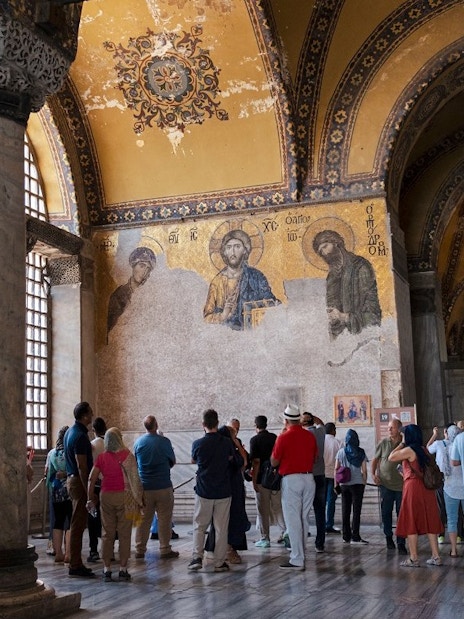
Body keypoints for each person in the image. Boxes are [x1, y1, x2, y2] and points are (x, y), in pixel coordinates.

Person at [88, 427, 143, 582]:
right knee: (124, 534)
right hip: (123, 496)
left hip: (106, 496)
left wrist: (89, 497)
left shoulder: (102, 457)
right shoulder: (128, 456)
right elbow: (136, 480)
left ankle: (106, 569)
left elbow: (91, 479)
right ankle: (123, 569)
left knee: (107, 532)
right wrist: (140, 498)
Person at [270, 403, 317, 571]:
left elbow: (274, 461)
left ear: (286, 421)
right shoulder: (310, 436)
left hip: (291, 479)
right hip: (309, 478)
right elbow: (315, 457)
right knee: (304, 518)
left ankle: (297, 558)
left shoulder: (283, 437)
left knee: (293, 520)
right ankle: (301, 554)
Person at [388, 424, 443, 567]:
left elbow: (391, 457)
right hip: (426, 488)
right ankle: (436, 556)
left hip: (413, 488)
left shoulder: (409, 450)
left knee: (411, 519)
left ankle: (413, 558)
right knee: (430, 520)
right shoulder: (424, 450)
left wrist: (401, 443)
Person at [188, 409, 235, 572]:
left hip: (204, 490)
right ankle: (219, 562)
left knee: (200, 526)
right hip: (223, 490)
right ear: (217, 423)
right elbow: (230, 458)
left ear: (203, 424)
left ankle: (196, 558)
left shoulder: (198, 444)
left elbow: (193, 459)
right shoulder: (226, 443)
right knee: (221, 528)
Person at [203, 229, 279, 330]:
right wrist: (223, 316)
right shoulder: (217, 283)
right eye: (229, 247)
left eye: (237, 246)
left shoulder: (256, 277)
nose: (233, 252)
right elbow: (207, 318)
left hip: (253, 335)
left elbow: (272, 304)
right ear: (224, 252)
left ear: (245, 250)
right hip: (226, 336)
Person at [312, 229, 381, 339]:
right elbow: (332, 310)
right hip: (342, 340)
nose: (324, 253)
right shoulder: (332, 277)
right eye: (321, 252)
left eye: (325, 246)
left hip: (364, 337)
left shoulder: (360, 267)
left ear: (336, 242)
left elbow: (373, 315)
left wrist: (345, 317)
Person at [134, 415, 178, 560]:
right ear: (156, 425)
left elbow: (135, 463)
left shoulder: (138, 442)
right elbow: (172, 461)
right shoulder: (164, 441)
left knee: (143, 520)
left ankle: (140, 549)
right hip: (163, 485)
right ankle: (165, 549)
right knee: (164, 519)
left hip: (145, 487)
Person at [206, 425, 250, 564]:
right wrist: (240, 447)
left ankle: (220, 549)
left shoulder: (220, 449)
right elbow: (244, 463)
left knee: (222, 519)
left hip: (226, 488)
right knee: (231, 518)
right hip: (232, 489)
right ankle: (228, 548)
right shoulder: (230, 450)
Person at [64, 401, 96, 578]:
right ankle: (75, 564)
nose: (92, 415)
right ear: (84, 416)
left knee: (77, 523)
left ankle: (75, 561)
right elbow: (82, 466)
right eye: (90, 413)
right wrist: (89, 491)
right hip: (78, 481)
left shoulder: (70, 431)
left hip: (72, 479)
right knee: (78, 524)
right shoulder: (80, 436)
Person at [371, 418, 407, 554]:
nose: (389, 430)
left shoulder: (405, 444)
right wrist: (373, 475)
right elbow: (375, 460)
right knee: (386, 512)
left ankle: (401, 541)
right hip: (385, 484)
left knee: (401, 514)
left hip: (401, 486)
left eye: (392, 427)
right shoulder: (383, 443)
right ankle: (388, 537)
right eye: (388, 427)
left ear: (399, 429)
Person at [249, 415, 286, 548]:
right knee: (278, 507)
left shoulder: (254, 440)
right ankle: (285, 531)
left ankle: (265, 538)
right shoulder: (274, 438)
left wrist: (254, 481)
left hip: (261, 480)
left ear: (256, 426)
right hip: (275, 478)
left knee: (263, 510)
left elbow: (256, 462)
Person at [107, 246, 156, 336]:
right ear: (133, 266)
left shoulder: (149, 295)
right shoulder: (119, 294)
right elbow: (111, 329)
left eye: (148, 269)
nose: (144, 272)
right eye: (142, 266)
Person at [335, 429, 368, 545]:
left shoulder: (341, 452)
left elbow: (336, 469)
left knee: (345, 510)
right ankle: (356, 536)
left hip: (344, 485)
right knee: (356, 511)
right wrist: (364, 482)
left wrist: (336, 485)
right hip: (357, 484)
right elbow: (364, 470)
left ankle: (346, 536)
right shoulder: (361, 452)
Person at [46, 426, 72, 563]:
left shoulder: (52, 453)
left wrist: (51, 490)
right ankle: (68, 553)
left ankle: (58, 553)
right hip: (69, 488)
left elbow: (49, 474)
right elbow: (74, 470)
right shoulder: (70, 452)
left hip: (56, 490)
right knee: (70, 522)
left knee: (58, 521)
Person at [427, 424, 457, 543]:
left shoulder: (439, 443)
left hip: (441, 479)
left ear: (445, 432)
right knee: (455, 508)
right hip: (453, 480)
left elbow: (427, 448)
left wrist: (434, 435)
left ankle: (441, 534)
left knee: (441, 507)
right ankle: (459, 534)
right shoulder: (457, 443)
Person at [302, 412, 326, 553]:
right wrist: (316, 418)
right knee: (320, 510)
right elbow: (321, 424)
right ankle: (320, 543)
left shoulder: (302, 435)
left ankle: (302, 540)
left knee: (303, 510)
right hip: (320, 475)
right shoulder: (320, 433)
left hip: (306, 475)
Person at [439, 424, 464, 557]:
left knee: (452, 519)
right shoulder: (461, 443)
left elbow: (444, 469)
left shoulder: (445, 448)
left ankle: (453, 550)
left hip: (450, 488)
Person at [87, 416, 107, 563]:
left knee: (93, 518)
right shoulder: (110, 444)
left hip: (96, 484)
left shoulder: (92, 445)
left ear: (93, 430)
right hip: (109, 485)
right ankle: (109, 549)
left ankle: (93, 550)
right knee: (108, 518)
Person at [324, 422, 341, 533]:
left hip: (321, 475)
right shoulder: (337, 442)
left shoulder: (320, 442)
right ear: (333, 430)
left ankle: (321, 524)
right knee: (331, 501)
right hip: (333, 476)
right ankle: (329, 524)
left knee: (321, 501)